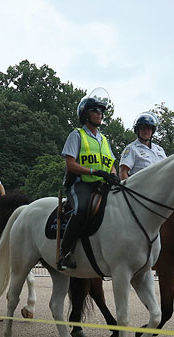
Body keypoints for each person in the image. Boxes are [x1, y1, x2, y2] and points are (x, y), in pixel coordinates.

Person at [58, 87, 120, 270]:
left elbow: (110, 164)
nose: (100, 114)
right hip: (80, 184)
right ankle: (64, 253)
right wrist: (94, 172)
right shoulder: (77, 135)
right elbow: (70, 164)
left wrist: (113, 176)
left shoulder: (104, 139)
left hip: (102, 184)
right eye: (96, 110)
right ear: (86, 114)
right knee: (81, 209)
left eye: (101, 111)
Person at [119, 111, 166, 180]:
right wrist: (127, 189)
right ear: (137, 130)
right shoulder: (131, 149)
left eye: (149, 128)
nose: (146, 131)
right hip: (139, 189)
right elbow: (123, 171)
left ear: (152, 131)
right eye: (143, 128)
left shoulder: (159, 149)